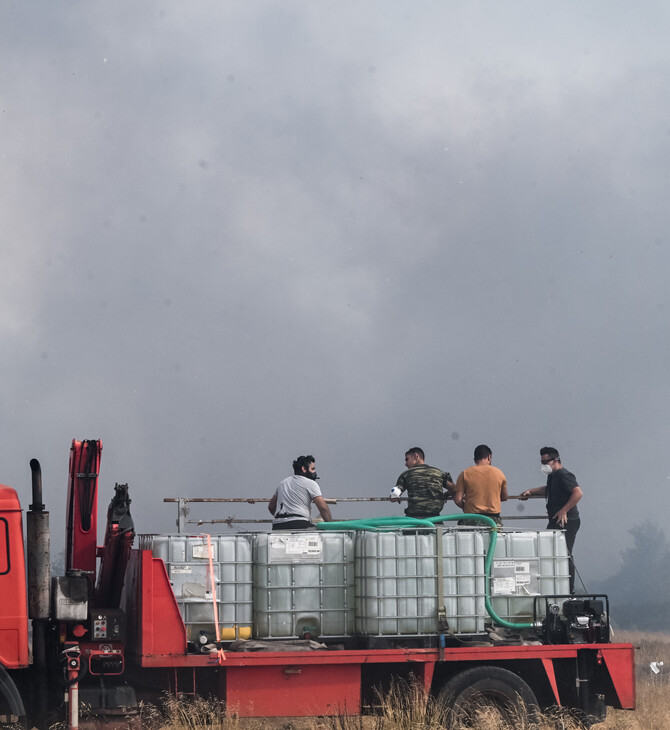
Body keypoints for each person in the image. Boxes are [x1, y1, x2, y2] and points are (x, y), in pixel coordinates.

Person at [520, 447, 583, 594]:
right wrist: (532, 491)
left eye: (546, 461)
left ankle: (570, 589)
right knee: (548, 550)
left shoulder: (563, 474)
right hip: (555, 520)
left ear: (555, 460)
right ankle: (554, 582)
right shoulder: (553, 476)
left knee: (565, 553)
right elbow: (549, 488)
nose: (543, 465)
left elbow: (578, 493)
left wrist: (564, 510)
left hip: (567, 520)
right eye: (542, 462)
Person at [268, 455, 333, 530]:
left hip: (277, 525)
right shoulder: (310, 483)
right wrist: (330, 526)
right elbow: (323, 508)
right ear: (304, 469)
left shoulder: (282, 483)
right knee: (321, 534)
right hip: (299, 524)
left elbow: (271, 507)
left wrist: (283, 520)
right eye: (312, 469)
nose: (314, 472)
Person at [390, 447, 454, 519]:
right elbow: (454, 489)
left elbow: (394, 496)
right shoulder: (439, 473)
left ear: (415, 456)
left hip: (414, 521)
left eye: (407, 459)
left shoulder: (406, 475)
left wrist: (395, 496)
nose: (405, 464)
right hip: (434, 520)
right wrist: (447, 494)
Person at [454, 444, 508, 526]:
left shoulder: (465, 474)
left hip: (471, 519)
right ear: (489, 457)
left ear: (475, 459)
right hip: (493, 520)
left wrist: (467, 507)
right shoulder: (499, 473)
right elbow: (504, 497)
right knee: (494, 538)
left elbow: (458, 500)